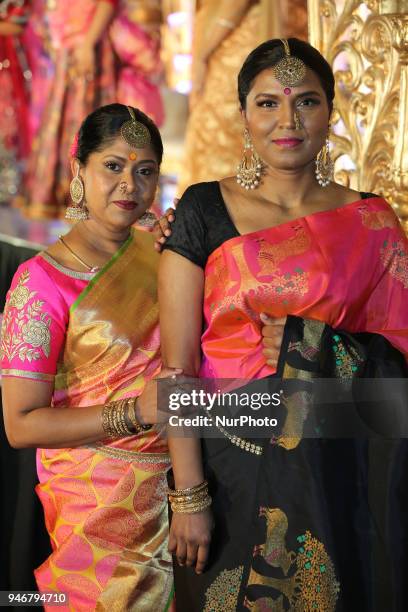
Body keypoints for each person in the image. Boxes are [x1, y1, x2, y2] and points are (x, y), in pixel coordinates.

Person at [159, 38, 408, 610]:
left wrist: (316, 345)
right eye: (268, 103)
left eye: (307, 102)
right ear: (243, 114)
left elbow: (399, 367)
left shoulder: (372, 221)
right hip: (228, 465)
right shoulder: (202, 209)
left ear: (331, 110)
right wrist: (190, 497)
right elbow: (179, 368)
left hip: (337, 470)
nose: (287, 121)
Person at [1, 103, 181, 611]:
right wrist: (136, 413)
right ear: (78, 168)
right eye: (113, 166)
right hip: (97, 505)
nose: (130, 184)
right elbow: (21, 424)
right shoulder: (40, 282)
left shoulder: (163, 257)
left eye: (145, 171)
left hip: (182, 490)